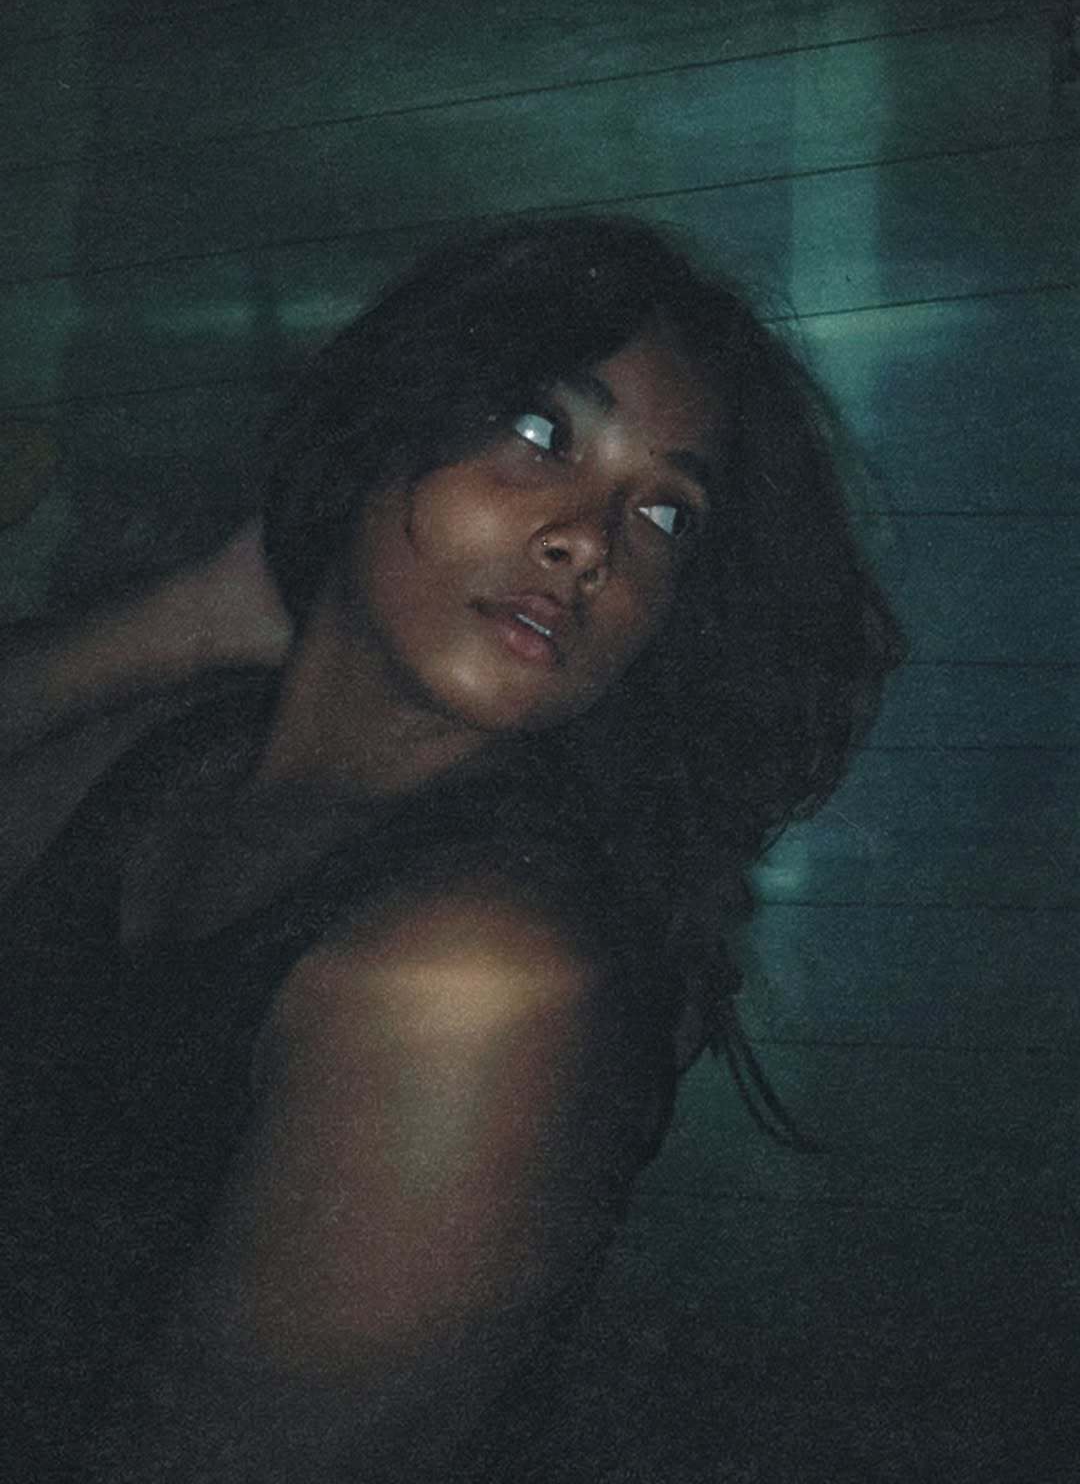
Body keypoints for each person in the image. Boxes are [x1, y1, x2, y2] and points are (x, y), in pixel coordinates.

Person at [0, 214, 902, 1482]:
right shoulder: (181, 751)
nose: (590, 542)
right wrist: (191, 615)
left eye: (666, 513)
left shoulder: (478, 975)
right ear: (389, 418)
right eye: (542, 432)